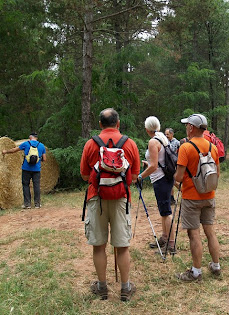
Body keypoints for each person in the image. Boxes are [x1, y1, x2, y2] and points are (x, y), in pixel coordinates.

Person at [80, 108, 140, 301]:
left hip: (96, 197)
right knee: (122, 247)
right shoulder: (129, 144)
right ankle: (125, 288)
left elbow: (83, 175)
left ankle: (102, 287)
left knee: (98, 246)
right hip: (121, 198)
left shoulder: (91, 144)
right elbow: (133, 176)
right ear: (118, 123)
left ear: (100, 124)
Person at [174, 113, 221, 282]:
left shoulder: (185, 148)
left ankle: (196, 272)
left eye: (187, 125)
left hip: (191, 197)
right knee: (210, 232)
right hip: (209, 195)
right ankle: (216, 266)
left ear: (192, 128)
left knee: (194, 234)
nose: (186, 127)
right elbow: (217, 174)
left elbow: (179, 177)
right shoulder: (212, 148)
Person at [138, 116, 176, 254]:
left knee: (166, 212)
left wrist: (140, 176)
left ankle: (171, 244)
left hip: (161, 179)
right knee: (163, 210)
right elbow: (159, 161)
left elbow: (154, 166)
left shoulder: (153, 142)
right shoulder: (162, 137)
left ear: (147, 129)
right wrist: (148, 165)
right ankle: (165, 238)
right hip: (165, 177)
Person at [2, 132, 46, 209]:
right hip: (36, 169)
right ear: (37, 138)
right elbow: (44, 159)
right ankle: (37, 204)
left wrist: (6, 151)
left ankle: (27, 204)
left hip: (26, 168)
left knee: (26, 185)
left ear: (30, 137)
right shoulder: (41, 146)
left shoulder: (26, 144)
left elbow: (14, 150)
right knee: (36, 186)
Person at [165, 128, 180, 204]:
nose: (166, 136)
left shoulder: (177, 143)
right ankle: (171, 198)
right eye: (165, 134)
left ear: (172, 134)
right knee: (170, 181)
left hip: (175, 164)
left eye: (167, 134)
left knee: (174, 181)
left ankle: (183, 190)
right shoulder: (165, 142)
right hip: (168, 164)